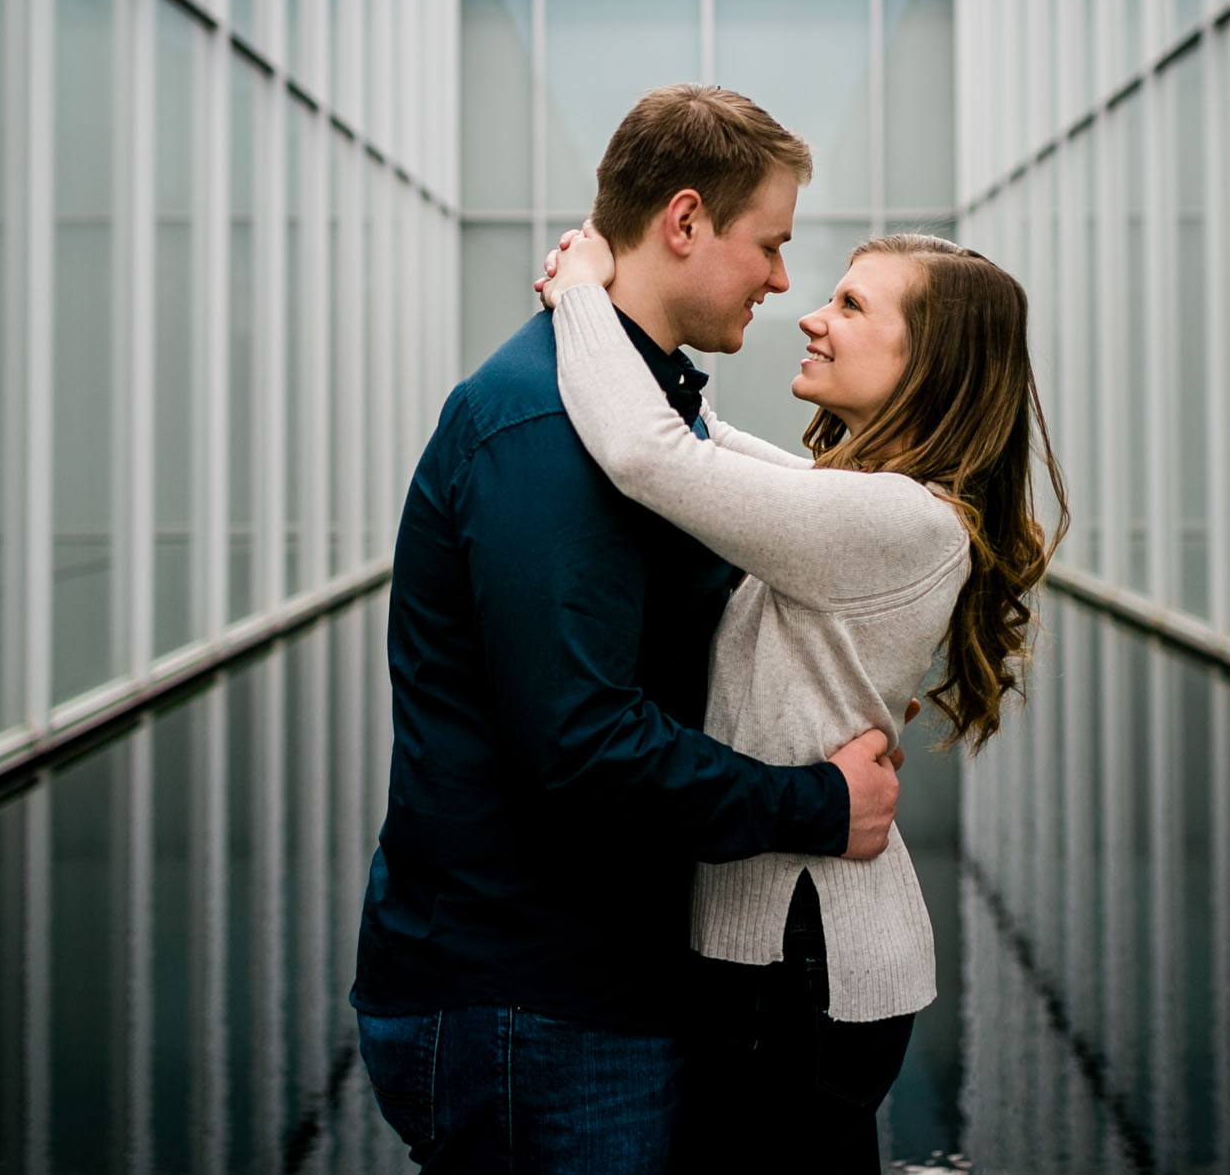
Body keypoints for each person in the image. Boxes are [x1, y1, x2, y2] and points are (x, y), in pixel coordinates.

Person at [352, 84, 905, 1174]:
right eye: (772, 243)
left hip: (578, 986)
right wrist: (819, 805)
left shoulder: (639, 407)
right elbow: (582, 739)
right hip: (534, 1003)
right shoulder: (547, 429)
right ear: (686, 221)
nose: (784, 280)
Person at [535, 218, 1065, 1173]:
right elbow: (709, 447)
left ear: (929, 364)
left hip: (803, 963)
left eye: (852, 305)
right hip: (801, 959)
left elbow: (654, 459)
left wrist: (582, 296)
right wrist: (618, 326)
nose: (811, 317)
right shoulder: (876, 501)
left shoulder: (894, 519)